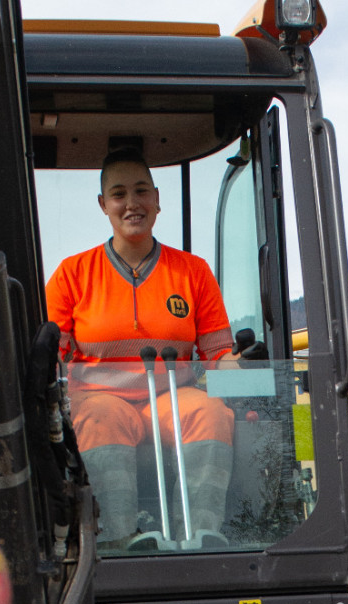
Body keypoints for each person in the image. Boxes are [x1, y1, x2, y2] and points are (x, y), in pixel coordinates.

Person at [46, 148, 260, 547]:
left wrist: (244, 364)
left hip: (170, 398)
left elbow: (217, 356)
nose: (132, 204)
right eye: (119, 194)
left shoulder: (192, 272)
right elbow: (50, 355)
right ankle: (116, 537)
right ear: (103, 205)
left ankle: (199, 536)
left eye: (142, 191)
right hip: (97, 398)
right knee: (101, 417)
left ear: (158, 199)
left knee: (211, 411)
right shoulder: (72, 274)